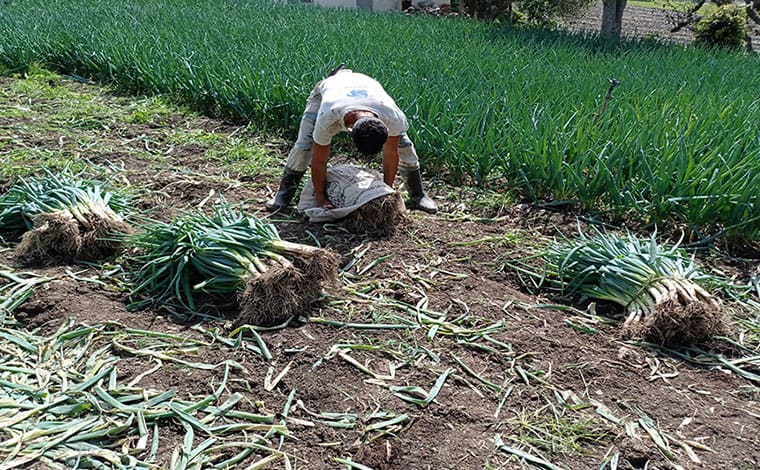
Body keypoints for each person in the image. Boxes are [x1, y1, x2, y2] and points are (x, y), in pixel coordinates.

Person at [266, 66, 437, 214]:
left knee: (405, 146)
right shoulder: (328, 117)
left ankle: (418, 195)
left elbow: (391, 153)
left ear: (385, 127)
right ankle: (284, 194)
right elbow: (319, 160)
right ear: (348, 131)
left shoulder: (393, 117)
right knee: (304, 145)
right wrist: (321, 197)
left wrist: (386, 191)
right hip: (329, 89)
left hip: (364, 85)